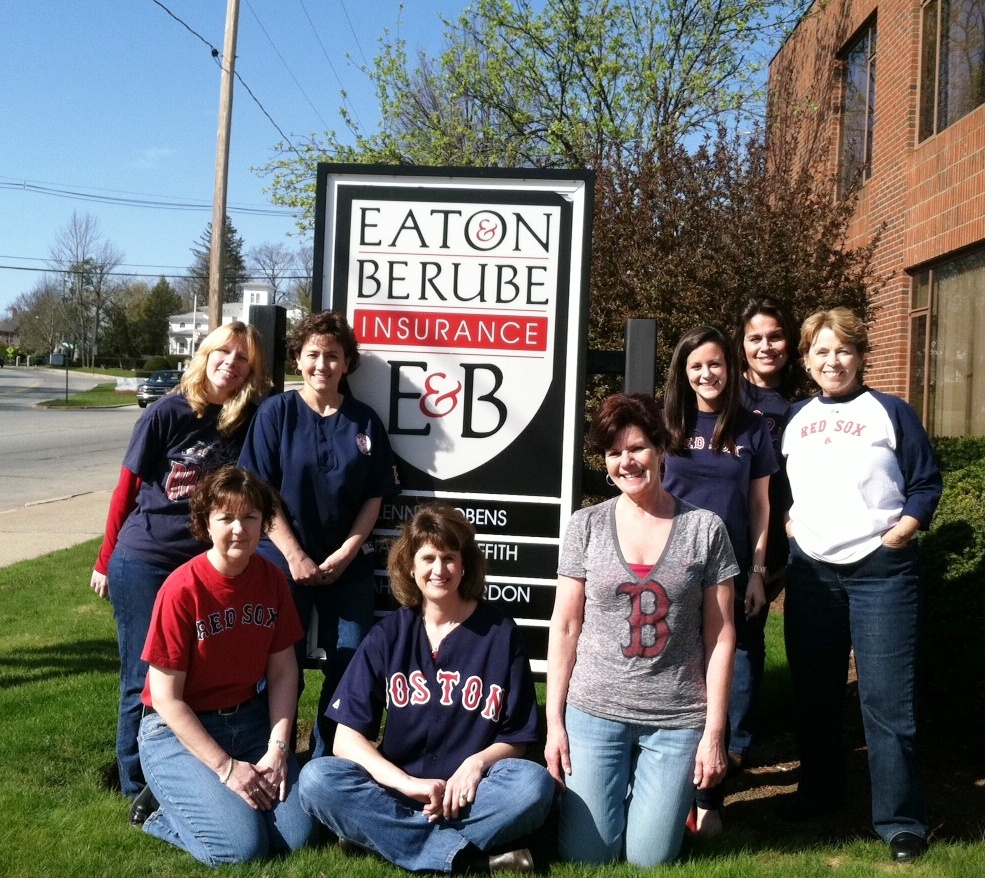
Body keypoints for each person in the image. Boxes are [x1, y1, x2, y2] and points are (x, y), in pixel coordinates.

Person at [298, 504, 555, 874]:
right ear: (411, 566)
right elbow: (345, 739)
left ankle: (379, 836)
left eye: (449, 558)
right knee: (317, 779)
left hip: (473, 795)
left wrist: (476, 763)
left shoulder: (499, 633)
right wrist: (405, 784)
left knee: (532, 785)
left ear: (464, 565)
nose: (439, 570)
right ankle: (470, 860)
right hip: (398, 793)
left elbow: (519, 736)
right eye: (429, 558)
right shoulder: (390, 634)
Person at [545, 393, 737, 866]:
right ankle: (621, 799)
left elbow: (721, 636)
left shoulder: (705, 528)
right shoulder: (585, 526)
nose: (626, 461)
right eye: (614, 452)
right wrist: (554, 723)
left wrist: (714, 732)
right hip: (596, 709)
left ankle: (656, 804)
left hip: (674, 717)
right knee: (589, 855)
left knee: (649, 859)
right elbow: (566, 625)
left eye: (637, 448)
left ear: (661, 449)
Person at [780, 308, 941, 863]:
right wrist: (790, 526)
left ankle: (901, 820)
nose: (833, 360)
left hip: (882, 574)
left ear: (861, 354)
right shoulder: (795, 418)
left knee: (885, 700)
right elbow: (780, 489)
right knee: (816, 693)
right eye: (821, 351)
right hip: (812, 574)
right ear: (806, 360)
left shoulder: (891, 412)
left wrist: (902, 531)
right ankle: (820, 792)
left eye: (843, 350)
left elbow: (925, 482)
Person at [89, 321, 269, 799]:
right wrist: (105, 561)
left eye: (243, 357)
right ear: (205, 354)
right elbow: (125, 491)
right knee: (144, 677)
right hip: (147, 560)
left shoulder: (244, 420)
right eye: (223, 352)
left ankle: (183, 773)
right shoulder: (166, 413)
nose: (230, 363)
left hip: (205, 570)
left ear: (253, 370)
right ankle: (135, 785)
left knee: (195, 678)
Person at [132, 466, 317, 865]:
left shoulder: (271, 580)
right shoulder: (181, 590)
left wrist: (278, 748)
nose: (239, 529)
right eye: (226, 517)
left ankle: (211, 804)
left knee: (298, 836)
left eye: (250, 517)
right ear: (205, 523)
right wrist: (226, 768)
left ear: (264, 523)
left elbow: (284, 672)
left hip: (248, 723)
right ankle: (160, 815)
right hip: (177, 731)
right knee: (243, 849)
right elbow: (165, 698)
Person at [239, 309, 400, 758]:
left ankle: (327, 762)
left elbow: (374, 496)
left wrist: (347, 553)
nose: (322, 365)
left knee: (351, 664)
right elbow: (259, 492)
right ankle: (274, 754)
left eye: (333, 356)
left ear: (347, 363)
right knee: (277, 661)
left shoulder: (365, 421)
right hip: (279, 561)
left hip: (346, 567)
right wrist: (294, 555)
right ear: (298, 359)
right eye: (313, 354)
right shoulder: (276, 414)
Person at [661, 324, 777, 835]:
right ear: (683, 374)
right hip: (672, 573)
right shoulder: (665, 424)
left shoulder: (752, 429)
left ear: (730, 369)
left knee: (719, 679)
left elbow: (760, 505)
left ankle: (709, 794)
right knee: (672, 678)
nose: (706, 374)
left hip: (729, 576)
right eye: (696, 366)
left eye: (715, 364)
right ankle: (668, 788)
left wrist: (757, 572)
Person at [729, 297, 802, 764]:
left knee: (747, 638)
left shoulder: (803, 403)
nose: (765, 346)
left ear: (789, 341)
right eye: (755, 337)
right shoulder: (724, 394)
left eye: (774, 336)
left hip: (775, 538)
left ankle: (734, 744)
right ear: (742, 344)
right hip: (721, 532)